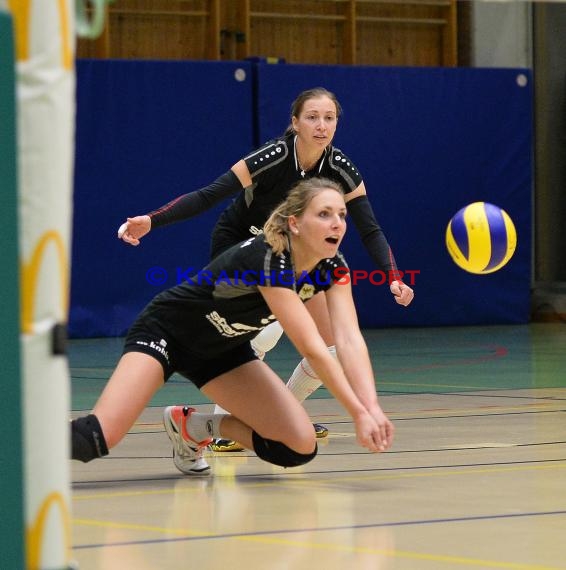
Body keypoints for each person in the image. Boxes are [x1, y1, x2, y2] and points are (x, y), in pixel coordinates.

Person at [117, 87, 413, 453]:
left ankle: (280, 414)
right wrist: (152, 219)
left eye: (329, 118)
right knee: (266, 331)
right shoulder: (273, 156)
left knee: (331, 347)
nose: (321, 126)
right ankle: (219, 424)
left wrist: (393, 276)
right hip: (242, 248)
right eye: (312, 117)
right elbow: (212, 193)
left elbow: (369, 227)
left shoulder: (341, 169)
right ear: (295, 122)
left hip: (296, 257)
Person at [72, 178, 395, 476]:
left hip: (222, 351)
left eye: (341, 214)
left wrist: (372, 407)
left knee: (296, 446)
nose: (337, 223)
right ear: (295, 223)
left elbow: (349, 341)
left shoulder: (333, 268)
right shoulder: (271, 257)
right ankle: (22, 444)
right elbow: (312, 348)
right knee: (97, 438)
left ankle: (193, 429)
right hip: (168, 332)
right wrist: (357, 412)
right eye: (324, 214)